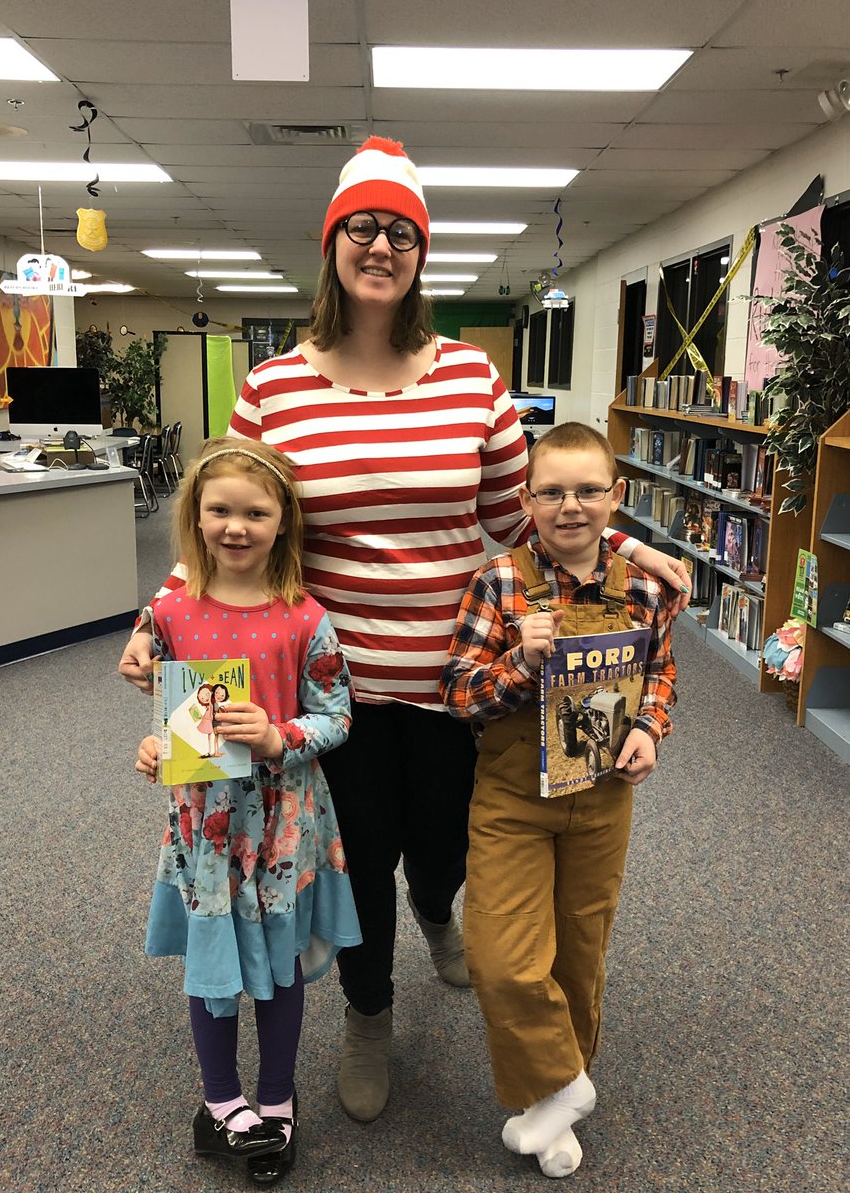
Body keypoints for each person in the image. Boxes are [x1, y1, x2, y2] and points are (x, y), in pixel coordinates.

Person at [120, 135, 690, 1124]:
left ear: (419, 253)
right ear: (333, 243)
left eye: (400, 232)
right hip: (324, 684)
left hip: (459, 675)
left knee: (446, 850)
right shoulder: (275, 387)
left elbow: (533, 516)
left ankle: (440, 912)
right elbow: (233, 511)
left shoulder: (471, 378)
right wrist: (155, 619)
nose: (380, 247)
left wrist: (631, 552)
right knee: (358, 856)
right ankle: (370, 1015)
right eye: (362, 229)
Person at [440, 423, 677, 1179]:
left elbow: (661, 673)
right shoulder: (498, 582)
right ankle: (570, 1084)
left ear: (617, 496)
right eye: (551, 492)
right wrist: (519, 660)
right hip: (513, 794)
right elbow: (458, 695)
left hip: (604, 796)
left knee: (580, 953)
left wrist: (649, 728)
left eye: (586, 491)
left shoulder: (646, 583)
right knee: (502, 957)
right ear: (525, 498)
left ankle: (549, 1105)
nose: (569, 506)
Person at [134, 437, 360, 1185]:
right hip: (206, 826)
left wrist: (277, 734)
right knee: (213, 967)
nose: (236, 526)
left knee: (282, 967)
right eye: (219, 511)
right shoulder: (170, 613)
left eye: (255, 513)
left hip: (283, 826)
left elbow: (337, 716)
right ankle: (223, 1100)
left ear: (283, 521)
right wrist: (152, 747)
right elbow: (176, 715)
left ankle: (275, 1096)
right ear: (195, 520)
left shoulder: (304, 617)